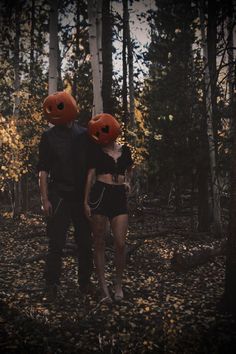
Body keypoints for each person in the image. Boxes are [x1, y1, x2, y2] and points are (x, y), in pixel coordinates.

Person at [37, 91, 94, 300]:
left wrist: (89, 199)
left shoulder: (85, 134)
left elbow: (91, 169)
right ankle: (51, 285)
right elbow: (42, 171)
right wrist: (45, 199)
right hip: (59, 196)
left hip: (80, 198)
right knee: (56, 244)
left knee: (85, 244)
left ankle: (85, 283)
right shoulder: (48, 137)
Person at [84, 113, 134, 303]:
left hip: (119, 196)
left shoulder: (126, 150)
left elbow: (129, 169)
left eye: (104, 129)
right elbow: (90, 176)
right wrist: (85, 202)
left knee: (120, 243)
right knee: (99, 243)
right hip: (100, 195)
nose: (102, 134)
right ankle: (104, 289)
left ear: (114, 128)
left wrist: (128, 182)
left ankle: (118, 285)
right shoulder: (96, 152)